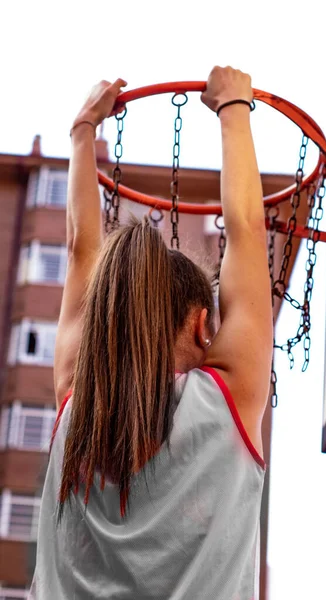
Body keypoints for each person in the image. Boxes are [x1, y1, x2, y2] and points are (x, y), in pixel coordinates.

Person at [29, 66, 273, 600]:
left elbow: (79, 250)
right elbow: (249, 232)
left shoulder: (77, 409)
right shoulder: (224, 405)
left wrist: (82, 129)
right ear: (203, 325)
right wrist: (233, 110)